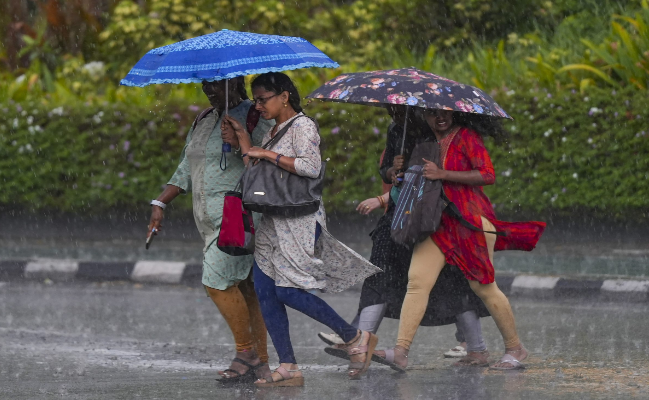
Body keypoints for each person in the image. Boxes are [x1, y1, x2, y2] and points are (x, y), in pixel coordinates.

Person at [222, 72, 382, 386]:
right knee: (265, 290)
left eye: (263, 98)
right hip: (273, 218)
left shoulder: (303, 125)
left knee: (287, 290)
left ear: (284, 96)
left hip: (299, 220)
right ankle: (289, 367)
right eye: (255, 99)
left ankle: (355, 337)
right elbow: (259, 173)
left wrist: (266, 152)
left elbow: (309, 167)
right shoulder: (273, 130)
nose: (258, 105)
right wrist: (243, 138)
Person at [319, 106, 492, 368]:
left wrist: (424, 173)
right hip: (400, 215)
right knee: (380, 273)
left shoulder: (441, 132)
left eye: (399, 110)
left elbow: (452, 177)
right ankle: (361, 341)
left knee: (453, 280)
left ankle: (478, 347)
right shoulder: (396, 129)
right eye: (390, 110)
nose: (394, 114)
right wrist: (392, 171)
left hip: (436, 218)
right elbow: (392, 172)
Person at [376, 108, 546, 371]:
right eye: (432, 114)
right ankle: (400, 352)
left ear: (454, 113)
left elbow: (487, 174)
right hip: (437, 225)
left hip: (470, 223)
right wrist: (398, 174)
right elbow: (419, 183)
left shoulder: (467, 136)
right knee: (417, 282)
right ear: (425, 117)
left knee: (484, 288)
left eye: (444, 113)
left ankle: (515, 348)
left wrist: (443, 174)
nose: (439, 117)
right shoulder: (424, 143)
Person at [146, 77, 274, 384]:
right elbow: (185, 167)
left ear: (235, 83)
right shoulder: (203, 119)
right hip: (208, 221)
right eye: (206, 85)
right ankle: (262, 364)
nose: (209, 91)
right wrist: (160, 203)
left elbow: (269, 163)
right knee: (245, 289)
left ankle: (246, 354)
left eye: (216, 85)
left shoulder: (254, 116)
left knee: (216, 281)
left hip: (239, 217)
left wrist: (240, 139)